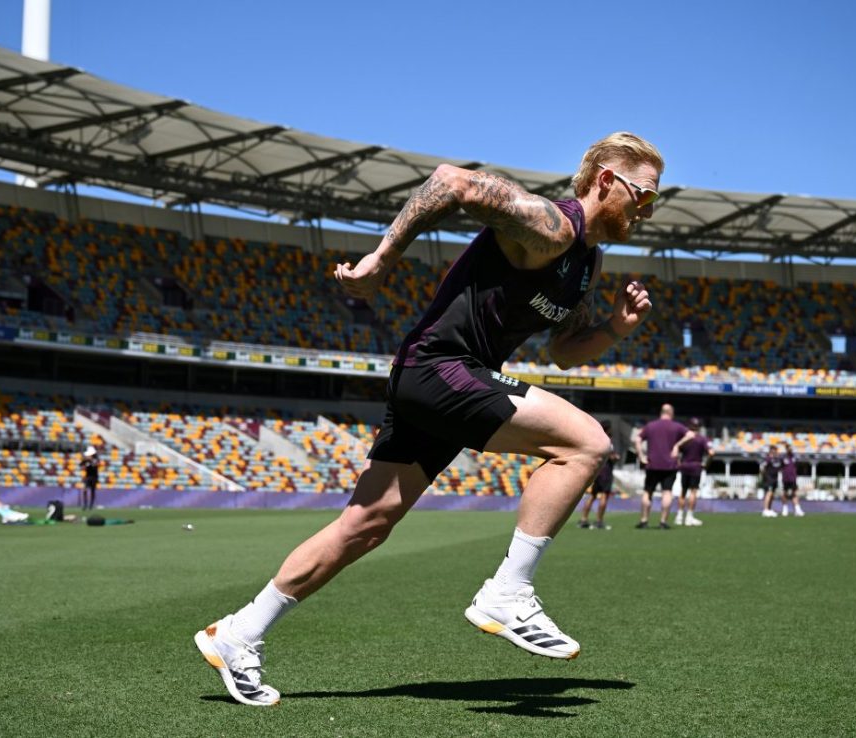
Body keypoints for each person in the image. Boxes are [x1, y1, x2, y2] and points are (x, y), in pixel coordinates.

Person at [194, 132, 664, 706]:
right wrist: (379, 261)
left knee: (365, 526)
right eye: (643, 194)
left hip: (445, 379)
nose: (648, 208)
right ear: (605, 181)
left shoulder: (585, 260)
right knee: (586, 444)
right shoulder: (553, 225)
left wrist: (616, 329)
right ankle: (507, 591)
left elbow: (566, 351)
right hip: (440, 368)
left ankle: (239, 634)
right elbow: (450, 181)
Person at [635, 403, 694, 529]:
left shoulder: (650, 426)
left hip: (652, 464)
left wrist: (641, 455)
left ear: (661, 412)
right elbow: (691, 435)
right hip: (669, 465)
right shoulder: (676, 426)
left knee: (648, 492)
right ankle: (663, 521)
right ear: (671, 413)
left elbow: (637, 439)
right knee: (667, 492)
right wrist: (677, 445)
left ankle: (644, 520)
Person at [578, 420, 619, 530]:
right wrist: (615, 457)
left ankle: (583, 519)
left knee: (593, 495)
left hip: (597, 470)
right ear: (608, 429)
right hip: (606, 471)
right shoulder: (606, 440)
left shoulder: (595, 438)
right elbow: (610, 456)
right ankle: (599, 521)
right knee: (604, 495)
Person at [674, 417, 712, 527]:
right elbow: (711, 452)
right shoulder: (702, 439)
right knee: (693, 492)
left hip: (684, 466)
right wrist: (706, 464)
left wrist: (678, 463)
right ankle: (689, 517)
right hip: (696, 466)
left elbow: (676, 450)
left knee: (683, 491)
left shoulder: (684, 438)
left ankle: (679, 516)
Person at [778, 444, 804, 517]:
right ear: (786, 449)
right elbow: (780, 467)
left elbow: (797, 466)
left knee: (794, 493)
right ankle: (785, 508)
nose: (790, 449)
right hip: (785, 478)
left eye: (791, 448)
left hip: (793, 479)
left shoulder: (795, 457)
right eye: (789, 448)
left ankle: (797, 509)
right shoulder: (783, 457)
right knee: (785, 493)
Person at [759, 446, 782, 518]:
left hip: (774, 479)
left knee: (772, 495)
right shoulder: (768, 459)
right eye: (774, 450)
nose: (775, 452)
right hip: (769, 479)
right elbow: (762, 468)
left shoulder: (777, 460)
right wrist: (765, 476)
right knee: (768, 494)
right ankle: (765, 510)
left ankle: (769, 509)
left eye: (776, 450)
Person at [81, 445, 100, 511]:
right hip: (88, 477)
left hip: (94, 477)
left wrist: (91, 460)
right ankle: (85, 505)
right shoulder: (86, 460)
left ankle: (90, 506)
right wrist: (85, 462)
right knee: (84, 490)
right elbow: (81, 466)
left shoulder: (96, 459)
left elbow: (96, 465)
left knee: (92, 491)